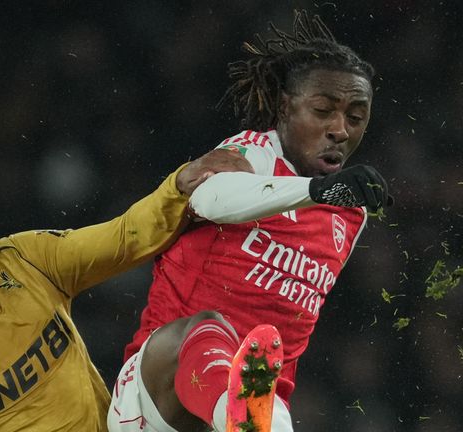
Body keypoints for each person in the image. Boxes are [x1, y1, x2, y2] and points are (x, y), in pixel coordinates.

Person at [108, 10, 392, 432]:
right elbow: (210, 198)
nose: (339, 130)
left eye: (355, 116)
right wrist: (314, 192)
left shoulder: (351, 215)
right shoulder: (251, 153)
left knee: (265, 390)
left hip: (255, 403)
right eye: (322, 110)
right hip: (155, 398)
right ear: (283, 107)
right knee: (207, 329)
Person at [0, 149, 255, 432]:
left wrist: (179, 184)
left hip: (115, 425)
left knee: (191, 337)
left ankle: (250, 420)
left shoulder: (21, 259)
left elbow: (124, 238)